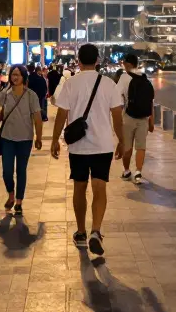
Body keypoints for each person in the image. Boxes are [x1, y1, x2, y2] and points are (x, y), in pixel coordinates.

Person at [50, 44, 124, 257]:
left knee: (80, 188)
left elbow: (62, 115)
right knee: (100, 188)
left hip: (78, 147)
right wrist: (122, 141)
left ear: (78, 61)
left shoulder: (71, 84)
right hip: (103, 145)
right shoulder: (109, 84)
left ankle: (81, 231)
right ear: (98, 60)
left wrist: (55, 140)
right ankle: (96, 231)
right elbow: (117, 117)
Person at [0, 65, 43, 216]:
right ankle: (10, 194)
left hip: (25, 139)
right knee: (7, 171)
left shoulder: (31, 95)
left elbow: (37, 118)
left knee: (21, 170)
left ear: (24, 77)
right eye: (12, 75)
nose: (15, 77)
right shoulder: (5, 93)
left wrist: (39, 137)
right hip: (7, 138)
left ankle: (19, 201)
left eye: (18, 75)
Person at [117, 54, 155, 185]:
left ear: (127, 64)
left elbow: (118, 99)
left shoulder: (124, 77)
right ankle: (138, 171)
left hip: (128, 116)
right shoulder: (143, 76)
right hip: (144, 117)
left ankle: (127, 171)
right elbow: (150, 100)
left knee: (127, 145)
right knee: (141, 146)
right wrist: (151, 119)